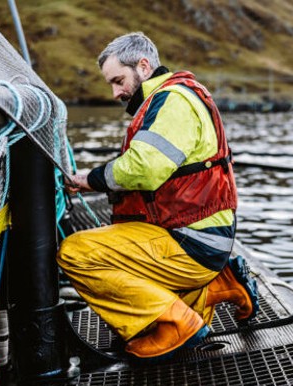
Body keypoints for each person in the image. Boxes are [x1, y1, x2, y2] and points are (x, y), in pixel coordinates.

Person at [58, 32, 258, 361]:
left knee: (76, 253)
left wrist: (89, 180)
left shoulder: (172, 101)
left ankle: (179, 325)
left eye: (119, 80)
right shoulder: (170, 98)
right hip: (198, 236)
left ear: (144, 66)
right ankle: (220, 285)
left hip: (190, 240)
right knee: (125, 266)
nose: (116, 92)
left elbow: (145, 168)